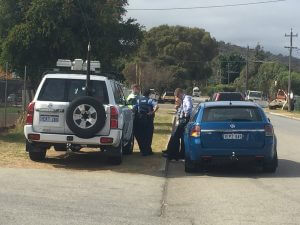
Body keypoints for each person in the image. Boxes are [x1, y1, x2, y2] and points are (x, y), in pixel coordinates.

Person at [163, 88, 193, 160]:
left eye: (177, 95)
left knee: (175, 136)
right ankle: (179, 154)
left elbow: (189, 107)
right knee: (181, 137)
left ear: (179, 93)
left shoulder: (186, 98)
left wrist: (185, 114)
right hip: (183, 119)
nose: (177, 97)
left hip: (185, 119)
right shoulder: (183, 99)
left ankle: (172, 154)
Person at [134, 89, 159, 156]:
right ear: (149, 94)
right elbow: (157, 106)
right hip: (148, 119)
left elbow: (134, 108)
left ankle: (143, 150)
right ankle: (146, 151)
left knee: (140, 135)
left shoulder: (139, 100)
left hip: (139, 119)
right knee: (148, 135)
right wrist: (152, 112)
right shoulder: (149, 100)